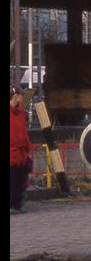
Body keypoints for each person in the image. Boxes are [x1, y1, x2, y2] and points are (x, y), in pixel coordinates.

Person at [10, 86, 31, 214]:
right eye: (21, 95)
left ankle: (18, 204)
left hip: (21, 153)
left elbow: (23, 130)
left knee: (20, 180)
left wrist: (28, 147)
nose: (23, 98)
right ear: (16, 96)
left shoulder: (21, 112)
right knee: (12, 181)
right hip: (12, 152)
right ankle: (12, 204)